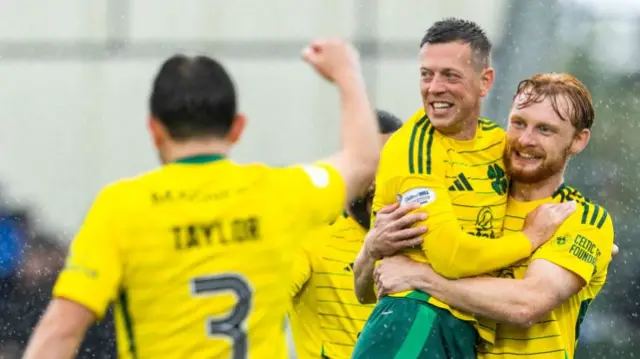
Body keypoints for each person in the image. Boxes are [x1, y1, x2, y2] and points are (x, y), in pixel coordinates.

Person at [22, 39, 382, 359]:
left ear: (154, 129)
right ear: (238, 127)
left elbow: (62, 329)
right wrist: (346, 72)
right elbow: (364, 159)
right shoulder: (279, 192)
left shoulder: (121, 206)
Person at [351, 18, 576, 359]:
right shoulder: (413, 150)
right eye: (427, 74)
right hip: (415, 319)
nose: (434, 88)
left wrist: (581, 231)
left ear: (485, 81)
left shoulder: (496, 142)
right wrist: (529, 239)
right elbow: (451, 257)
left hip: (463, 330)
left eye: (450, 75)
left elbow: (540, 182)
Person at [373, 73, 615, 359]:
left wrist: (422, 277)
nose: (526, 139)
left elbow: (527, 303)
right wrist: (372, 248)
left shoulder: (581, 218)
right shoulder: (468, 199)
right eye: (518, 123)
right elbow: (377, 283)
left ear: (578, 140)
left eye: (545, 130)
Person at [288, 110, 406, 359]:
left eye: (388, 166)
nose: (376, 181)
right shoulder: (311, 232)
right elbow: (258, 303)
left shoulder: (423, 234)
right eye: (368, 166)